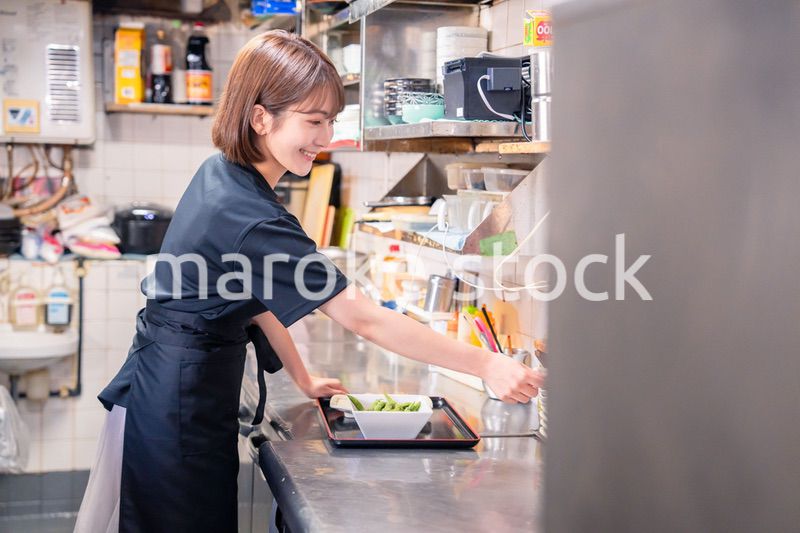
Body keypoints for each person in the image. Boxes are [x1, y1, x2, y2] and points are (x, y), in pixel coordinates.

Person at [75, 30, 544, 533]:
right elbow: (362, 318)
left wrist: (302, 377)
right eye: (313, 121)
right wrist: (485, 363)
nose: (325, 138)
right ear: (261, 118)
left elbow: (252, 298)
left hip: (171, 390)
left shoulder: (225, 175)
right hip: (178, 409)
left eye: (332, 122)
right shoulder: (249, 213)